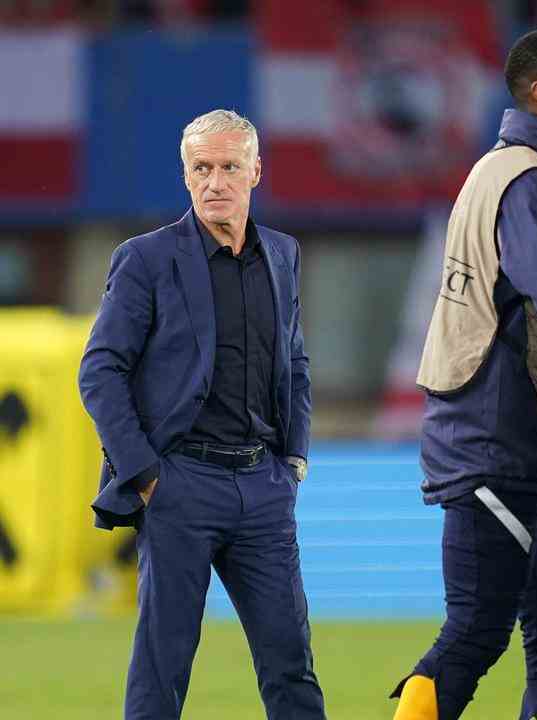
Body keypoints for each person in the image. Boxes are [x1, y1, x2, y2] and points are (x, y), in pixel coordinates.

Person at [392, 29, 537, 720]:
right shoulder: (530, 181)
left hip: (526, 448)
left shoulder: (504, 171)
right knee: (475, 635)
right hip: (502, 445)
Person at [79, 109, 324, 719]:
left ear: (256, 172)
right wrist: (144, 473)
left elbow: (294, 359)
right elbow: (99, 371)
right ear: (186, 176)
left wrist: (292, 456)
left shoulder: (284, 254)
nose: (216, 181)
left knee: (291, 663)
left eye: (230, 167)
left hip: (262, 488)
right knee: (163, 669)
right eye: (202, 168)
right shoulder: (145, 259)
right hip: (178, 486)